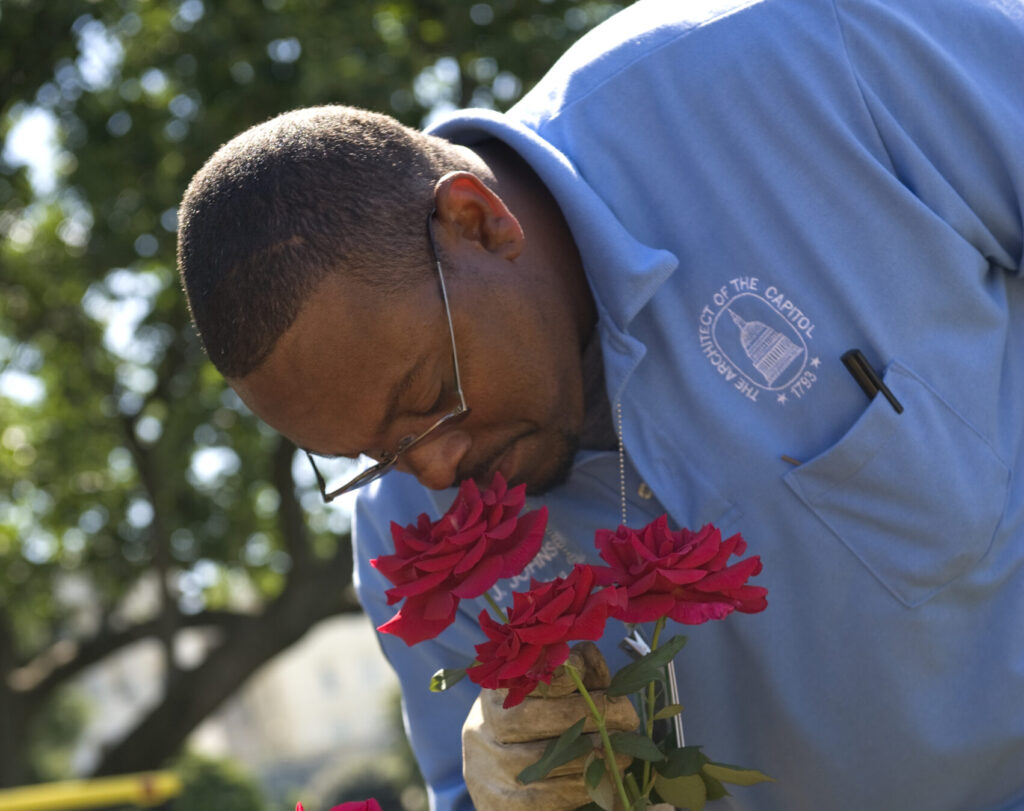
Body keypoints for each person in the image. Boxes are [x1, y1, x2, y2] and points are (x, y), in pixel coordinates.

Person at [176, 0, 1024, 807]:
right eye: (373, 454)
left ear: (477, 224)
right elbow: (462, 791)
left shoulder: (800, 59)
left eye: (431, 398)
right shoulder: (410, 535)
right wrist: (503, 792)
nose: (431, 470)